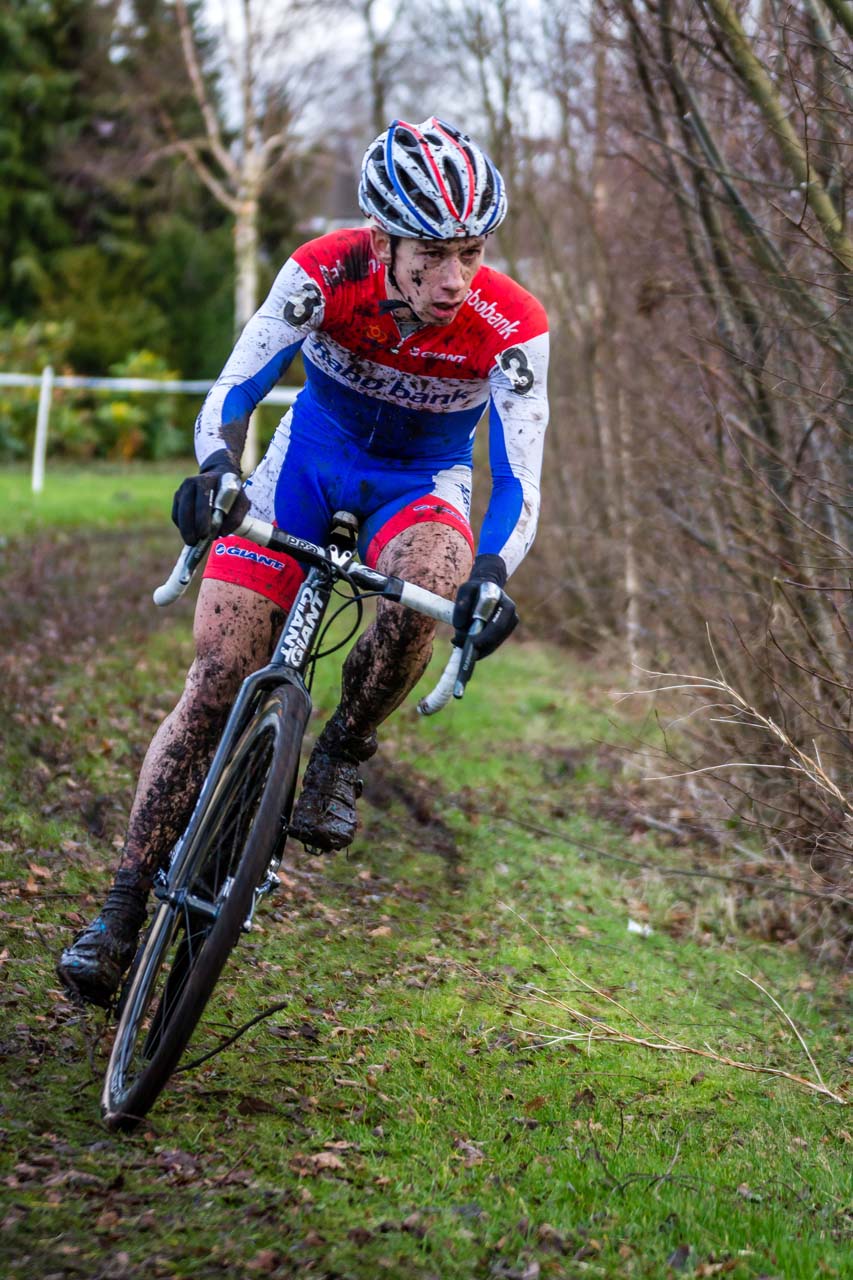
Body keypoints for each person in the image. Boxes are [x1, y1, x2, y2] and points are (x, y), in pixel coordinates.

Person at [57, 116, 550, 1007]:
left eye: (470, 254)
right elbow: (235, 392)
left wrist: (492, 572)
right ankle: (121, 909)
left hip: (418, 486)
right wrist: (215, 471)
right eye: (431, 255)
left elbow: (516, 477)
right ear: (383, 238)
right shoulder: (325, 269)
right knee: (216, 679)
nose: (452, 280)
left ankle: (344, 750)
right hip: (304, 470)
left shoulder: (510, 324)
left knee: (432, 582)